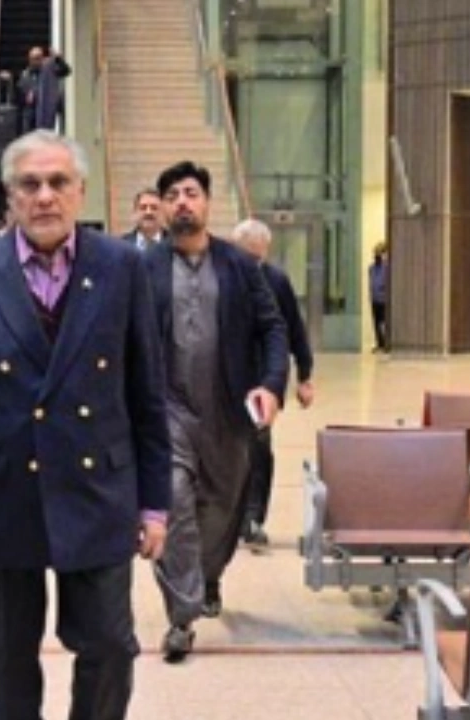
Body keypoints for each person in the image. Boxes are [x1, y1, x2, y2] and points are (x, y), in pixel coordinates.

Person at [0, 129, 170, 720]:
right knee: (7, 657)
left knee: (109, 644)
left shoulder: (122, 268)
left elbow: (147, 395)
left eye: (58, 182)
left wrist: (155, 505)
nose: (45, 196)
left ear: (80, 192)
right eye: (30, 184)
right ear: (10, 196)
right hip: (5, 492)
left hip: (99, 490)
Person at [144, 161, 288, 663]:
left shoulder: (239, 266)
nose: (182, 201)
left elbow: (273, 328)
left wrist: (272, 384)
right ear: (163, 209)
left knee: (222, 509)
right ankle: (181, 617)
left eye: (191, 193)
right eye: (172, 195)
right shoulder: (143, 268)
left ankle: (207, 575)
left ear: (207, 203)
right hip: (167, 409)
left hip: (228, 410)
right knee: (175, 501)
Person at [231, 219, 314, 548]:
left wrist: (305, 375)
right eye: (245, 256)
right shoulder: (219, 276)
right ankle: (228, 517)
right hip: (224, 378)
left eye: (257, 257)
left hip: (262, 379)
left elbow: (294, 329)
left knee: (258, 448)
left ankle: (253, 518)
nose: (252, 264)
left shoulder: (276, 281)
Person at [18, 47, 72, 132]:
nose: (35, 62)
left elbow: (66, 71)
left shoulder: (50, 69)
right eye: (33, 59)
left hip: (47, 112)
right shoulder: (26, 74)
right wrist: (27, 94)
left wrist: (58, 59)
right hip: (31, 115)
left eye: (38, 58)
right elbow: (21, 91)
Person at [369, 242, 388, 352]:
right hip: (375, 299)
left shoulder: (387, 267)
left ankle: (386, 343)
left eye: (379, 252)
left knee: (383, 322)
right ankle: (379, 343)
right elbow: (372, 282)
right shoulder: (371, 268)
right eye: (375, 252)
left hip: (384, 299)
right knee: (376, 323)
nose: (376, 255)